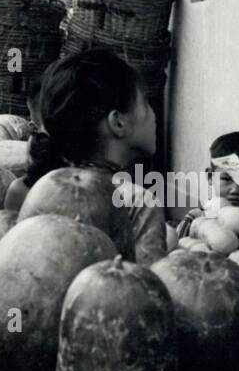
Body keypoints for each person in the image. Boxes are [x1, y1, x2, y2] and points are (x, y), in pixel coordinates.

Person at [21, 47, 167, 264]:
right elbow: (149, 289)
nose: (153, 115)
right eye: (146, 103)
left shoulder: (45, 187)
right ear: (118, 123)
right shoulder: (137, 201)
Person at [176, 130, 239, 236]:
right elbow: (176, 249)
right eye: (227, 179)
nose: (235, 190)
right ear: (210, 176)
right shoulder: (195, 219)